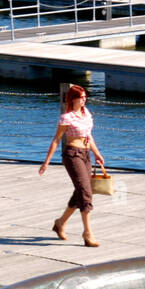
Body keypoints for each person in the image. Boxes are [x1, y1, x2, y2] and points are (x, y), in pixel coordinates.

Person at [40, 85, 105, 247]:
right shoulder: (66, 117)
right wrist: (46, 162)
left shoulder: (86, 113)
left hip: (86, 154)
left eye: (85, 96)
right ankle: (87, 233)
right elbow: (56, 140)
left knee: (81, 191)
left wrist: (97, 153)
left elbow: (89, 135)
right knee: (85, 191)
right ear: (73, 98)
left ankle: (60, 223)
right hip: (72, 154)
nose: (84, 99)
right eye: (81, 97)